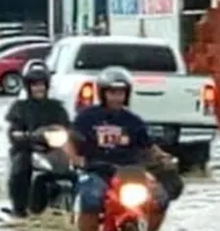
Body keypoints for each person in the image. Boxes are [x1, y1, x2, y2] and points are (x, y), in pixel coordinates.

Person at [70, 66, 174, 231]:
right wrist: (75, 159)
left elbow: (148, 146)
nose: (116, 97)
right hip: (97, 171)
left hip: (130, 172)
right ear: (103, 93)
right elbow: (72, 139)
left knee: (160, 199)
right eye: (112, 93)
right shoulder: (86, 117)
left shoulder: (134, 121)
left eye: (121, 93)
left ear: (127, 95)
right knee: (91, 199)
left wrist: (163, 158)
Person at [4, 61, 70, 219]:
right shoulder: (20, 107)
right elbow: (13, 130)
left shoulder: (57, 107)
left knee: (75, 169)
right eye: (34, 85)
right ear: (28, 87)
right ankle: (18, 208)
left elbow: (68, 127)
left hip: (54, 149)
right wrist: (23, 136)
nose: (38, 88)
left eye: (41, 85)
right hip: (27, 148)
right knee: (20, 167)